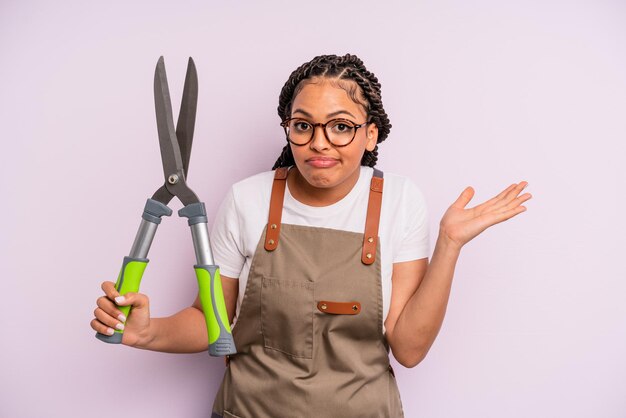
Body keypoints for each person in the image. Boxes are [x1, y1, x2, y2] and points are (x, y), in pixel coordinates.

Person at [91, 54, 531, 417]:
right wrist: (146, 334)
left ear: (370, 134)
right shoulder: (248, 199)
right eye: (303, 125)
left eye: (341, 126)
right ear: (289, 129)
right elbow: (213, 321)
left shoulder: (399, 200)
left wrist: (449, 244)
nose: (319, 142)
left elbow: (409, 348)